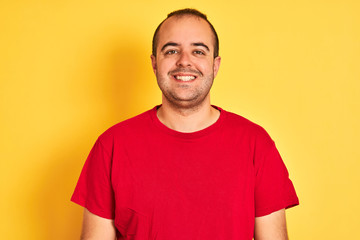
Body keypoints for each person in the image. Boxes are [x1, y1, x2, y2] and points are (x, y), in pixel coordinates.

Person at [71, 8, 299, 240]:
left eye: (198, 51)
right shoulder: (111, 145)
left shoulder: (256, 144)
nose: (184, 61)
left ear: (215, 65)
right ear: (154, 63)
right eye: (171, 50)